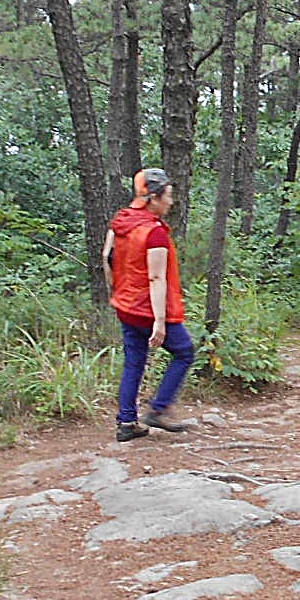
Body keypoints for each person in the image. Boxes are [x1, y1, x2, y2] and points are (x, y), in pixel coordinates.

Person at [103, 167, 196, 442]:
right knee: (184, 352)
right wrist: (159, 321)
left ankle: (127, 422)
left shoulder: (121, 222)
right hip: (147, 309)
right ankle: (159, 408)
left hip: (126, 305)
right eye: (168, 195)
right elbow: (156, 277)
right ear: (153, 197)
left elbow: (106, 257)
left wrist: (116, 292)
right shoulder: (153, 233)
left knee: (134, 362)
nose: (171, 201)